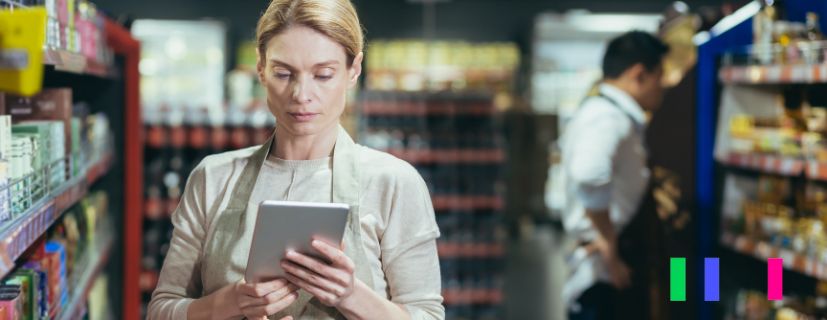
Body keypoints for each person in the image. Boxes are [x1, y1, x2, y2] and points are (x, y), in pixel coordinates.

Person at [147, 1, 444, 319]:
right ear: (261, 69)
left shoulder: (394, 183)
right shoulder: (213, 178)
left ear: (353, 71)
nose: (301, 94)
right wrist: (230, 302)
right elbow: (161, 310)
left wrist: (351, 295)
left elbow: (427, 314)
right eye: (284, 73)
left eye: (323, 75)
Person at [560, 31, 669, 320]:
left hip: (637, 261)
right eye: (661, 76)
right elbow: (590, 174)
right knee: (695, 290)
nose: (665, 86)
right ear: (639, 74)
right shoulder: (609, 117)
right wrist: (609, 243)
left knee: (686, 291)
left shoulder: (606, 112)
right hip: (610, 271)